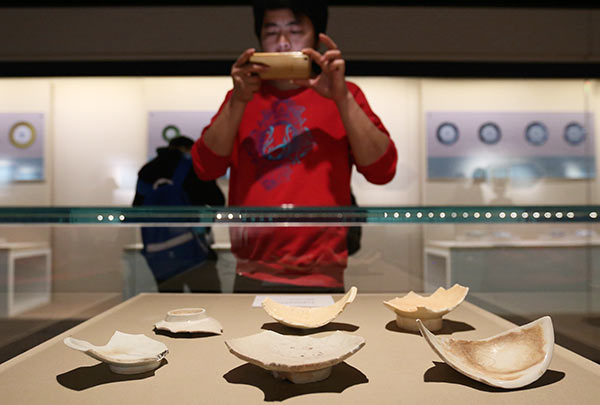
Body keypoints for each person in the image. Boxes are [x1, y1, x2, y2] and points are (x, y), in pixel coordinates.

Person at [192, 0, 397, 292]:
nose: (283, 42)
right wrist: (237, 101)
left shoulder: (345, 93)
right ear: (259, 39)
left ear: (316, 37)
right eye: (271, 32)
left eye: (295, 30)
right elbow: (204, 168)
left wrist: (342, 99)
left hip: (323, 272)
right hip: (251, 270)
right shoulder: (240, 96)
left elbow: (382, 170)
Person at [134, 135, 225, 292]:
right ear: (187, 149)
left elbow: (136, 209)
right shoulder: (195, 168)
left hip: (158, 253)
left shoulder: (147, 170)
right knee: (209, 301)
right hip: (195, 250)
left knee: (170, 302)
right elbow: (218, 201)